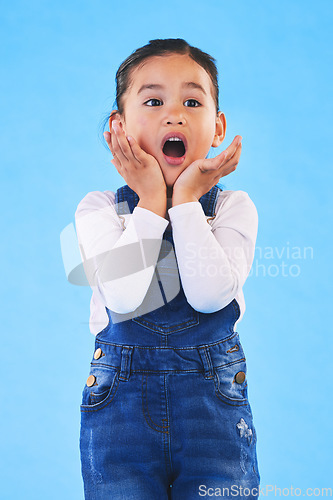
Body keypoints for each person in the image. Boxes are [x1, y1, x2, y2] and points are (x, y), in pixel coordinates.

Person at [75, 38, 260, 500]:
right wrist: (154, 202)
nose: (174, 114)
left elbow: (209, 295)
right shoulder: (98, 210)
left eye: (192, 101)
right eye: (153, 101)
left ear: (217, 128)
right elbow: (122, 296)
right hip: (120, 407)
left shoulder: (234, 208)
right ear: (119, 127)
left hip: (212, 404)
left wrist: (186, 203)